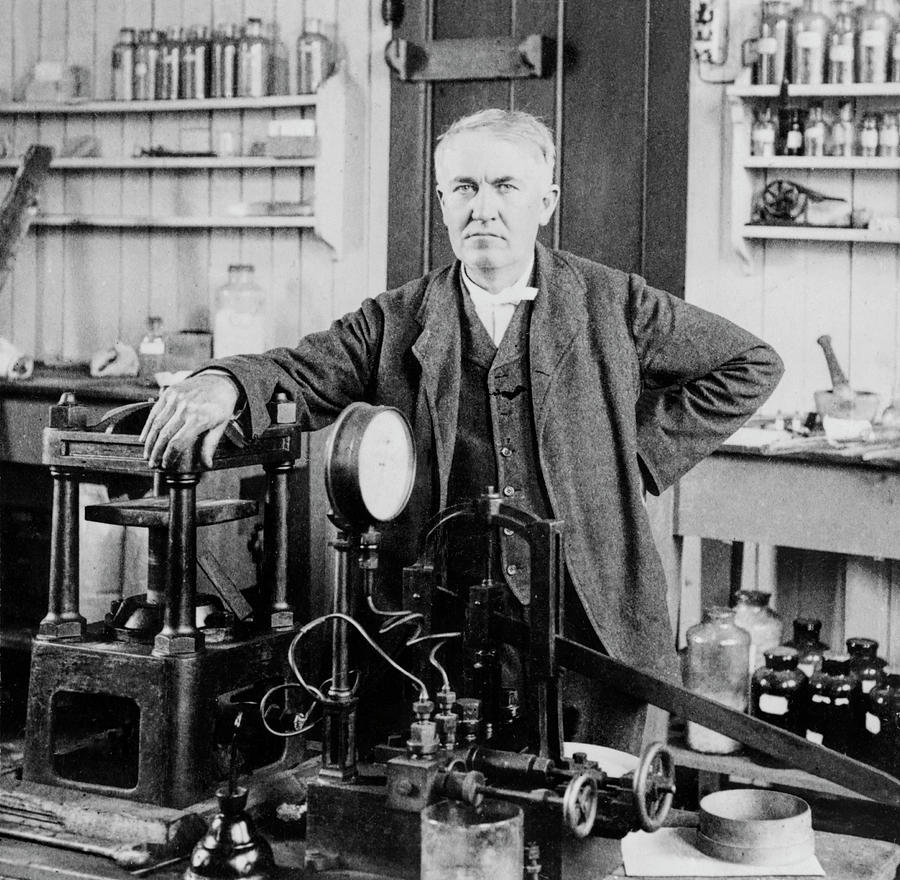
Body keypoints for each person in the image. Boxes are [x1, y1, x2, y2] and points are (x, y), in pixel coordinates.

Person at [141, 108, 783, 752]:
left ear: (545, 203)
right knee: (449, 806)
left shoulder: (613, 303)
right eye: (465, 188)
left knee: (593, 812)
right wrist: (225, 380)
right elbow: (299, 373)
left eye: (506, 187)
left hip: (589, 616)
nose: (485, 209)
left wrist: (630, 457)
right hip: (442, 630)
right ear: (442, 201)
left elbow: (751, 364)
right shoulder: (393, 320)